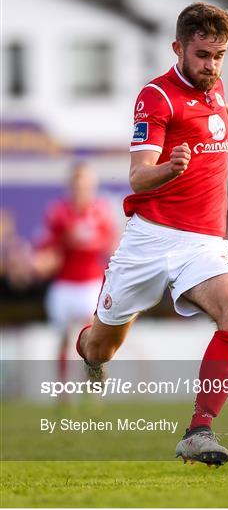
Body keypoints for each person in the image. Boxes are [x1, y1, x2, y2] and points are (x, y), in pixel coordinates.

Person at [76, 3, 228, 466]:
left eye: (219, 56)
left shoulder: (214, 89)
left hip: (203, 244)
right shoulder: (155, 97)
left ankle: (199, 430)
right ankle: (88, 350)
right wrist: (169, 169)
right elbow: (137, 176)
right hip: (149, 241)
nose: (211, 65)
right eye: (202, 55)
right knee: (102, 346)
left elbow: (212, 105)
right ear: (178, 48)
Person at [36, 162, 117, 382]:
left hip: (91, 284)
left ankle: (90, 389)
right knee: (64, 338)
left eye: (85, 185)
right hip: (64, 284)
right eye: (77, 185)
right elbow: (48, 249)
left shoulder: (102, 211)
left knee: (89, 338)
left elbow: (111, 245)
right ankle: (63, 390)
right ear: (70, 187)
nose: (81, 190)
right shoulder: (58, 213)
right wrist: (44, 261)